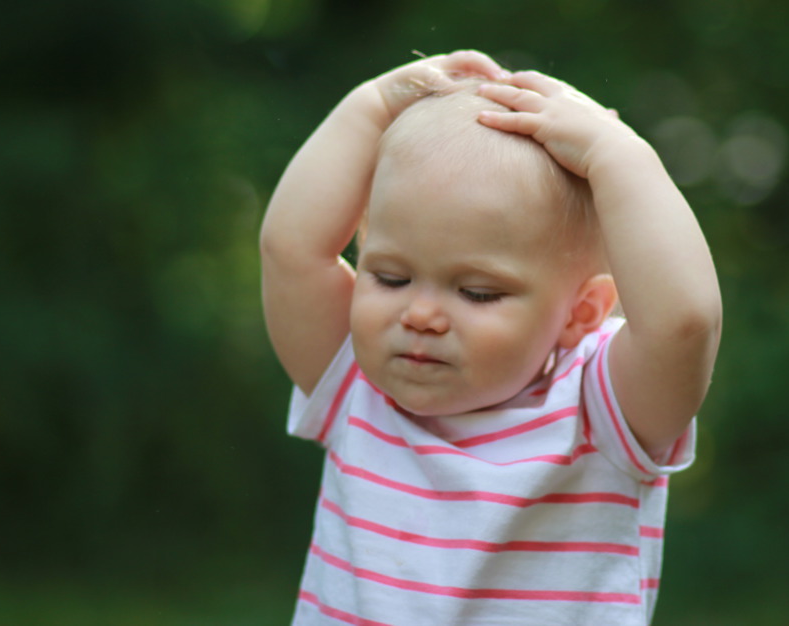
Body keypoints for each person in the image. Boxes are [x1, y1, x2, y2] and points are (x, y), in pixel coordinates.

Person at [260, 50, 722, 625]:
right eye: (391, 277)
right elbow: (291, 250)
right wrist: (370, 107)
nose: (421, 313)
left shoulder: (599, 413)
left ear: (580, 314)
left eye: (477, 293)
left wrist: (618, 155)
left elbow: (683, 324)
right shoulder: (357, 384)